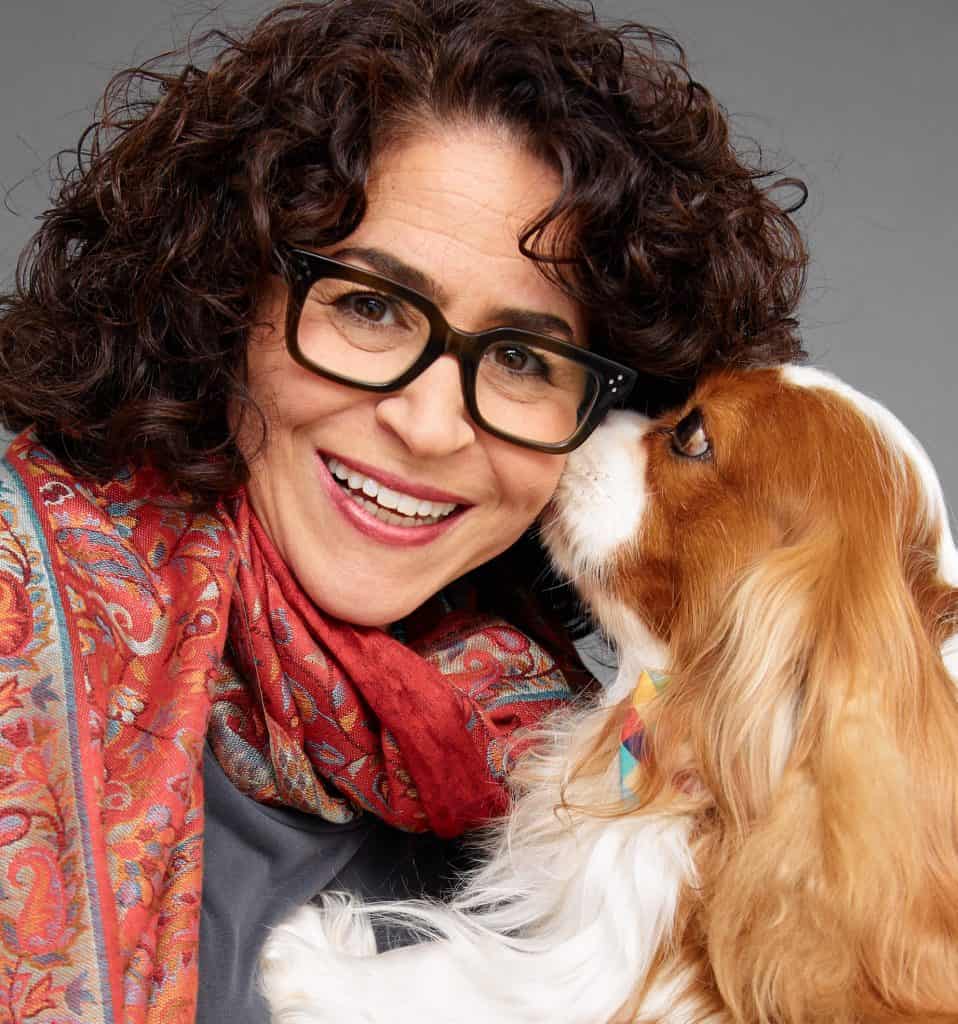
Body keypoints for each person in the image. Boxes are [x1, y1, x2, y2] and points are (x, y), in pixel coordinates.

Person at [0, 1, 807, 1021]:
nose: (428, 424)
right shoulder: (15, 606)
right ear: (223, 298)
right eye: (370, 306)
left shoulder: (587, 774)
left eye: (522, 358)